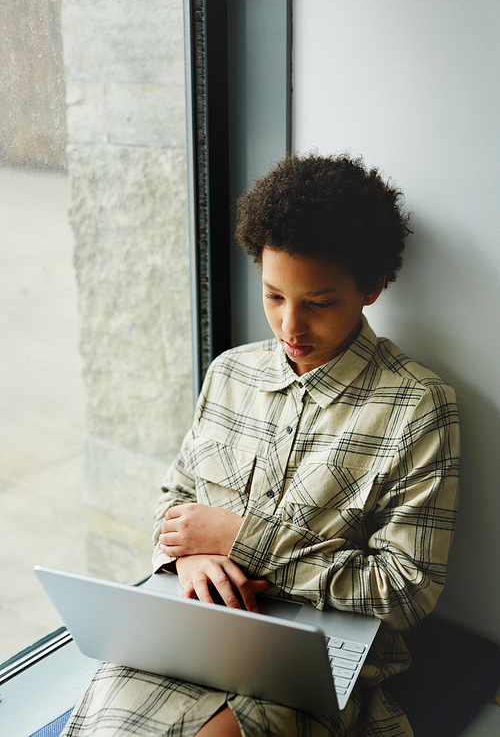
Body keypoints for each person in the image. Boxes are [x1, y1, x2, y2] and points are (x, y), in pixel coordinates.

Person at [61, 154, 459, 737]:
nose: (290, 327)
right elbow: (175, 503)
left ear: (372, 286)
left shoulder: (419, 406)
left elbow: (406, 591)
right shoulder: (230, 374)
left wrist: (242, 539)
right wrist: (190, 555)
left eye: (318, 303)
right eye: (274, 296)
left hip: (311, 655)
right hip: (195, 624)